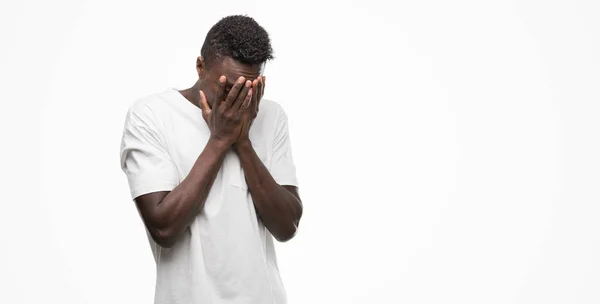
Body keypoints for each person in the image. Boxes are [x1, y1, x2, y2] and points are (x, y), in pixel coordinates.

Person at [119, 15, 303, 304]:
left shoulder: (271, 115)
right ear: (200, 66)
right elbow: (163, 228)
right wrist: (219, 140)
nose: (240, 99)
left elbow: (286, 227)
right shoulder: (151, 116)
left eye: (250, 88)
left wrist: (241, 141)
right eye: (229, 87)